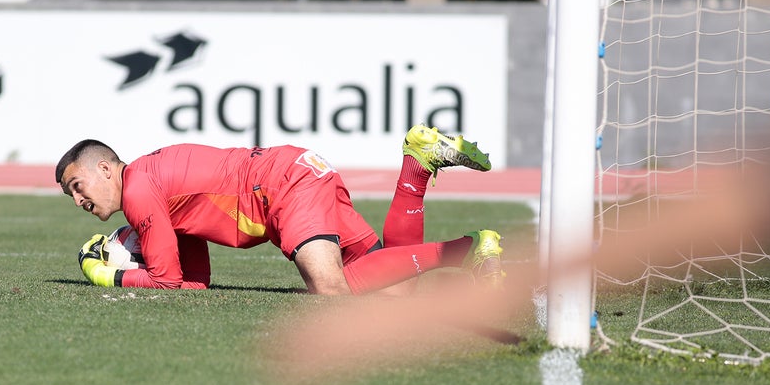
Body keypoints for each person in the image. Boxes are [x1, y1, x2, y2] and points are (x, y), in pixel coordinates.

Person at [55, 126, 504, 295]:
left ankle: (466, 250)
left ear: (105, 167)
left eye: (78, 186)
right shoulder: (156, 189)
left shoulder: (137, 190)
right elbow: (191, 283)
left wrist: (110, 274)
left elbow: (165, 280)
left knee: (331, 290)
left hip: (282, 186)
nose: (79, 201)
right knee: (395, 292)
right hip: (299, 170)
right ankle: (416, 167)